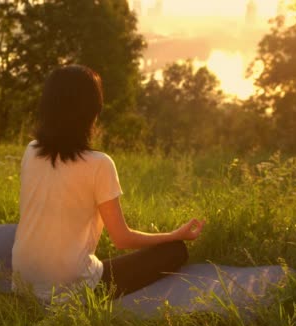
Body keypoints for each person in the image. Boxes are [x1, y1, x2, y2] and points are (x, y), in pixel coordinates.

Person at [11, 64, 204, 300]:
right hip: (72, 291)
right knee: (174, 251)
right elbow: (122, 239)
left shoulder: (31, 151)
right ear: (92, 111)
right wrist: (174, 235)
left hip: (21, 283)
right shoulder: (99, 164)